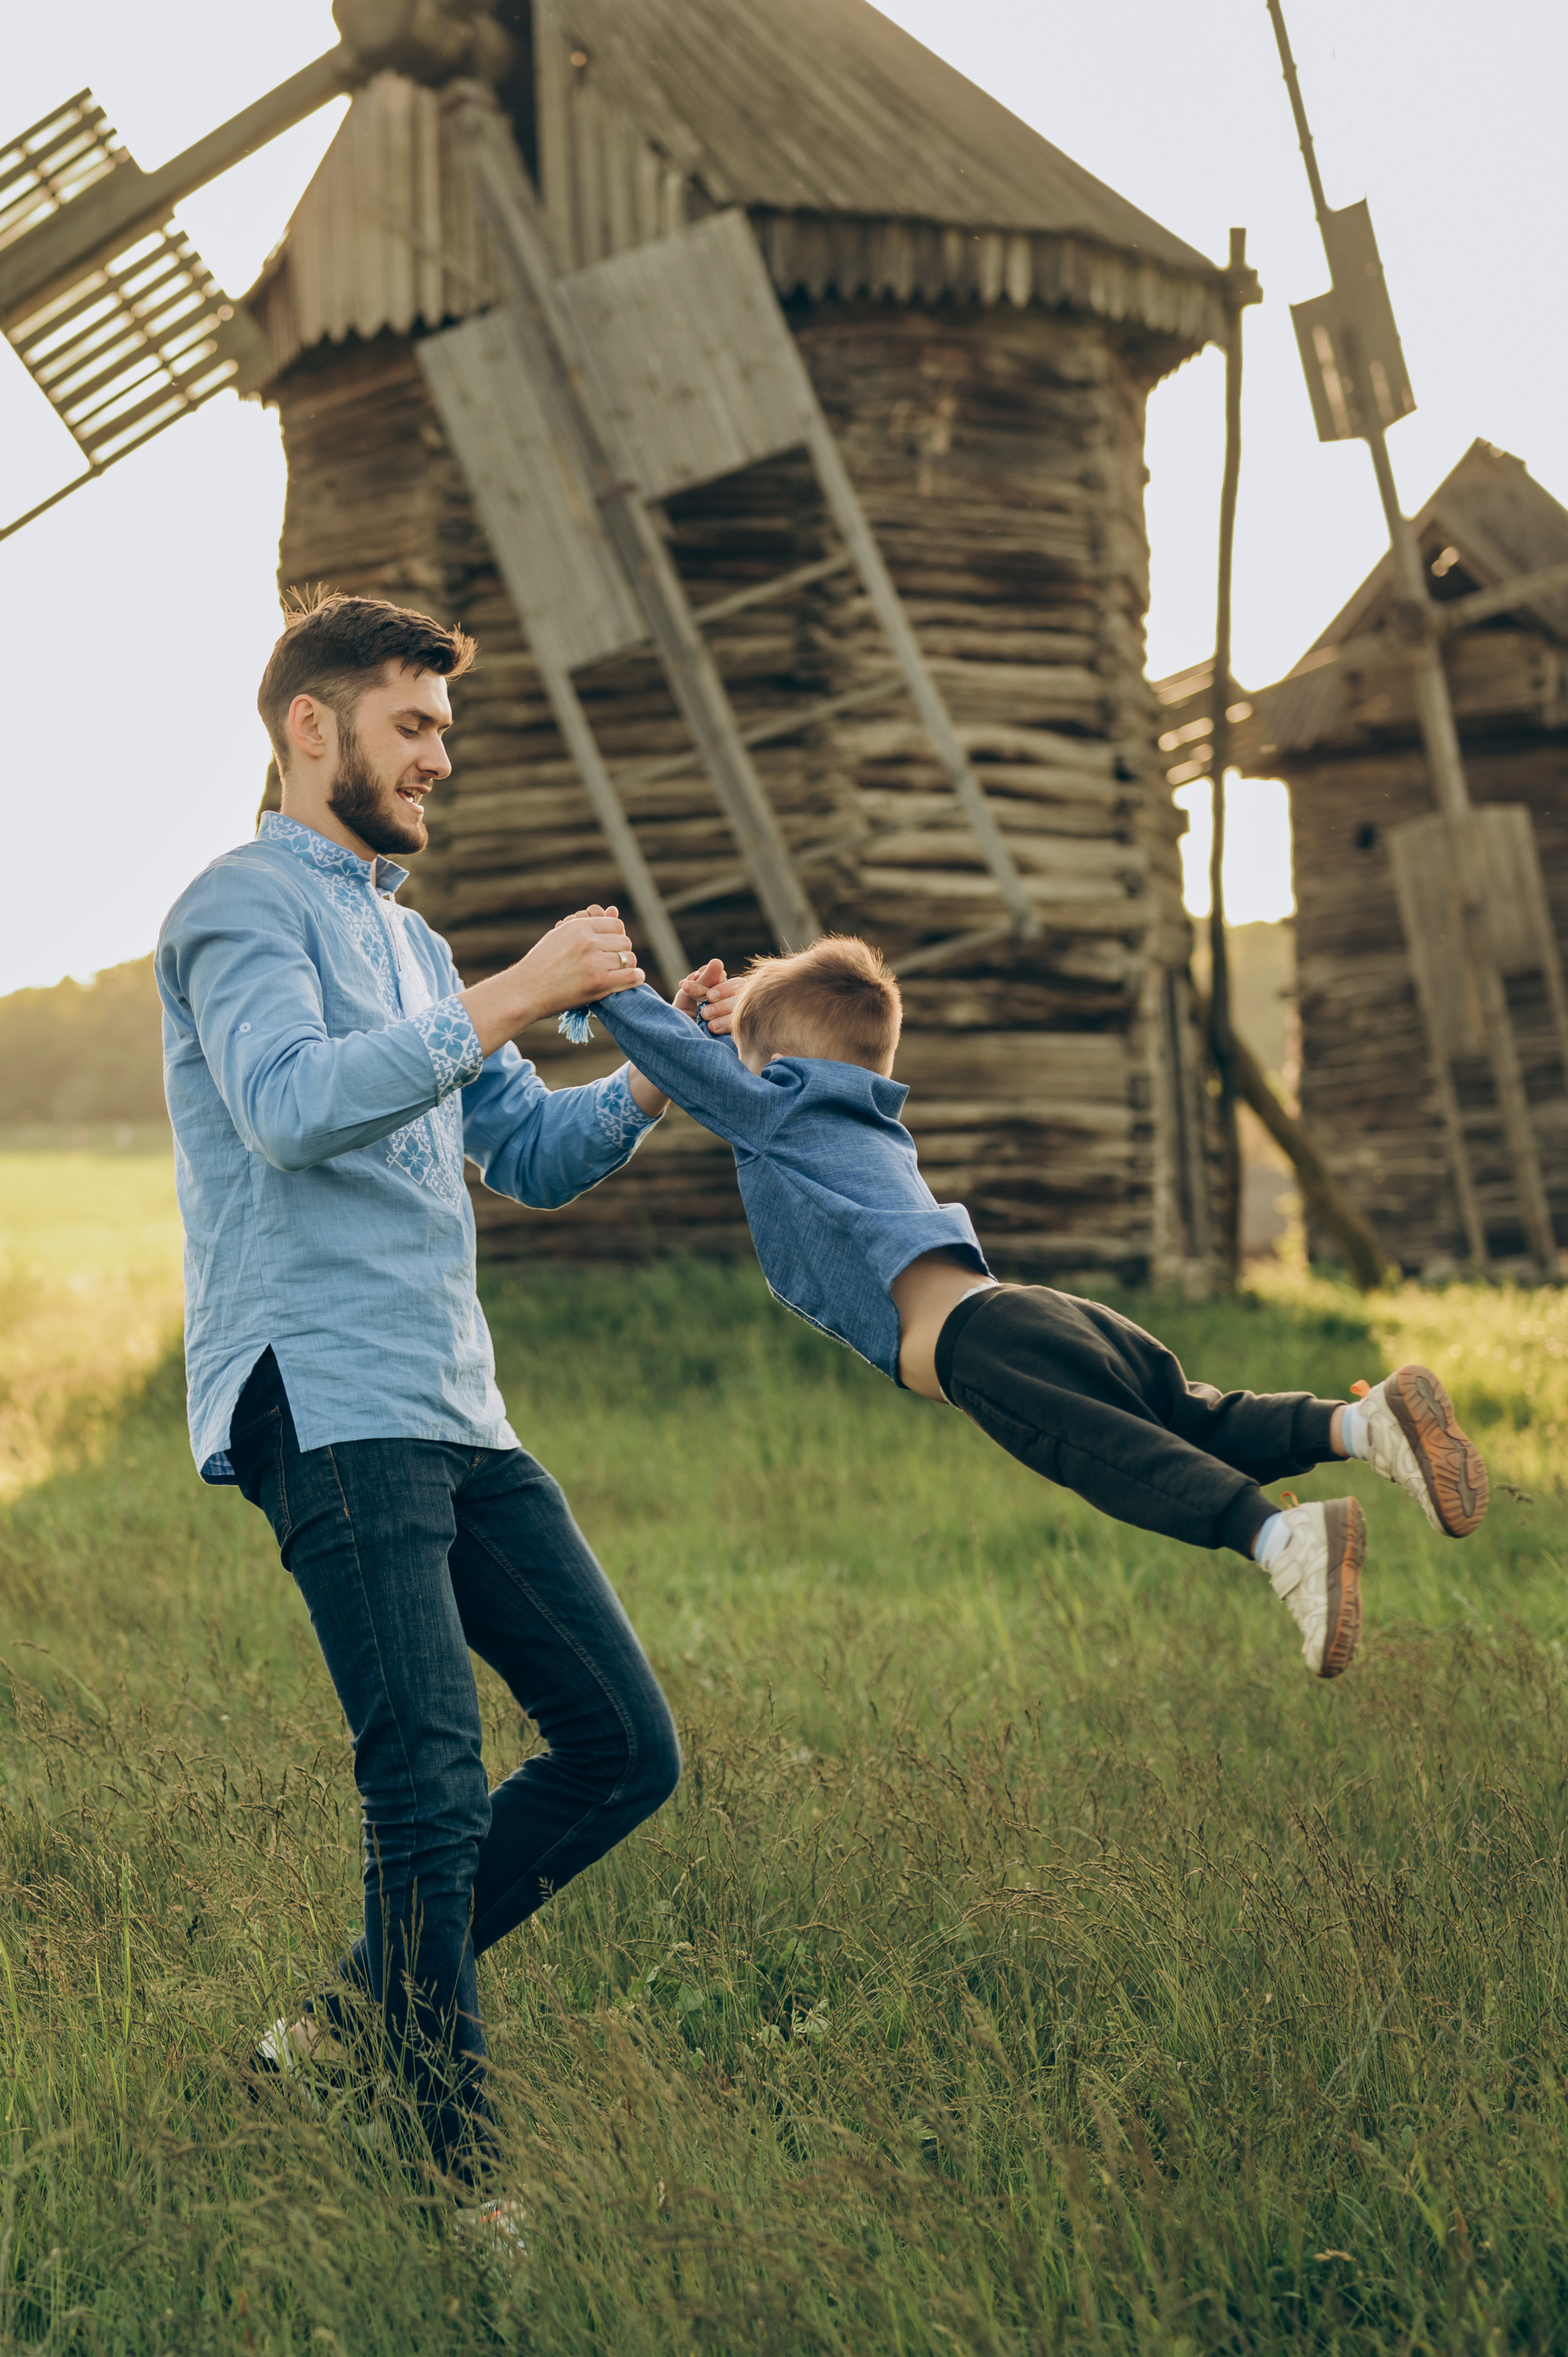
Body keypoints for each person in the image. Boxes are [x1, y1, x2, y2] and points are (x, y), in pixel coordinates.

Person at [156, 591, 699, 2219]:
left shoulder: (415, 944)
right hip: (317, 1390)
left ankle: (337, 2023)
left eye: (444, 732)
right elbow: (290, 1109)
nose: (438, 760)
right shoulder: (236, 908)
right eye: (413, 726)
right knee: (430, 1791)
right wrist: (524, 989)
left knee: (622, 1747)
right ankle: (459, 2196)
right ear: (308, 729)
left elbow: (525, 1153)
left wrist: (656, 1081)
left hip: (453, 1404)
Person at [562, 929, 1489, 1682]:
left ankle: (1283, 1538)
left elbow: (690, 1066)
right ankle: (1365, 1427)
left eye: (748, 1062)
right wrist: (738, 1030)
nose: (735, 1075)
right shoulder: (863, 1111)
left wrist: (604, 984)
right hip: (1033, 1309)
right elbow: (723, 1063)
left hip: (978, 1347)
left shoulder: (779, 1106)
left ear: (775, 1071)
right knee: (1190, 1417)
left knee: (1115, 1457)